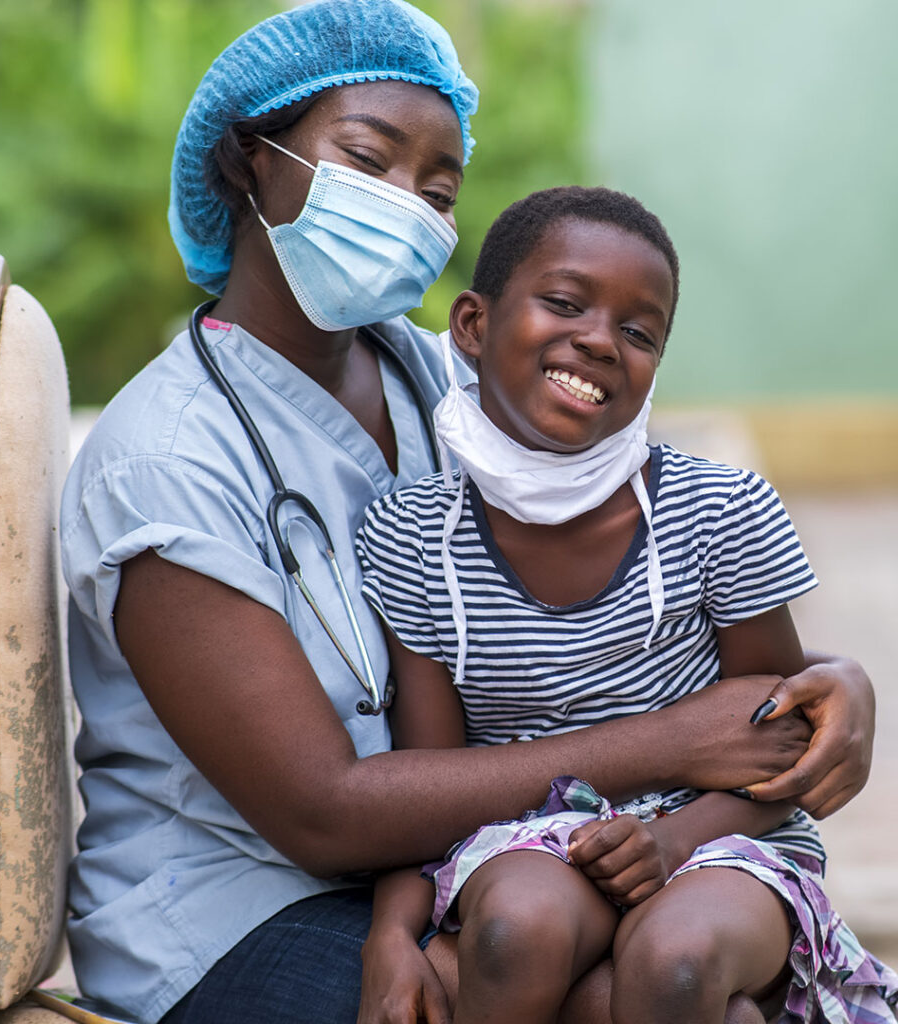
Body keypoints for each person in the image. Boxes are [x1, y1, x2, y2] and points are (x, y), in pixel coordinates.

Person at [59, 3, 877, 1022]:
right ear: (250, 162)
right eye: (367, 159)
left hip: (451, 855)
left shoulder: (431, 373)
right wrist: (670, 741)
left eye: (436, 190)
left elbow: (650, 536)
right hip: (237, 912)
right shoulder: (164, 462)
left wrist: (829, 682)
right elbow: (320, 813)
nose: (404, 205)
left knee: (688, 978)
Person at [355, 186, 898, 1024]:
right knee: (512, 930)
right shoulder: (411, 535)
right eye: (565, 303)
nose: (601, 341)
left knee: (675, 964)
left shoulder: (719, 511)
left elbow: (782, 744)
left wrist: (672, 843)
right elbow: (427, 784)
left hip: (721, 836)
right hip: (529, 836)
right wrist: (391, 937)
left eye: (639, 333)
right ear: (471, 326)